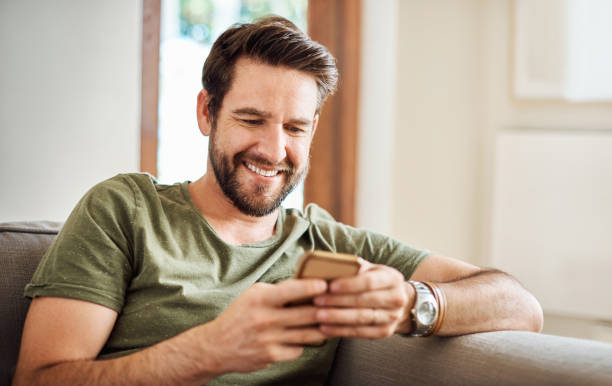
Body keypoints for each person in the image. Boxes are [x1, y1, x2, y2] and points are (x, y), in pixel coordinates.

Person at [13, 16, 543, 386]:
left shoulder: (322, 239)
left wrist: (413, 304)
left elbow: (521, 306)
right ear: (206, 112)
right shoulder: (124, 211)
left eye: (294, 127)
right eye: (251, 120)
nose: (273, 149)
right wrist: (208, 351)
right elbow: (37, 380)